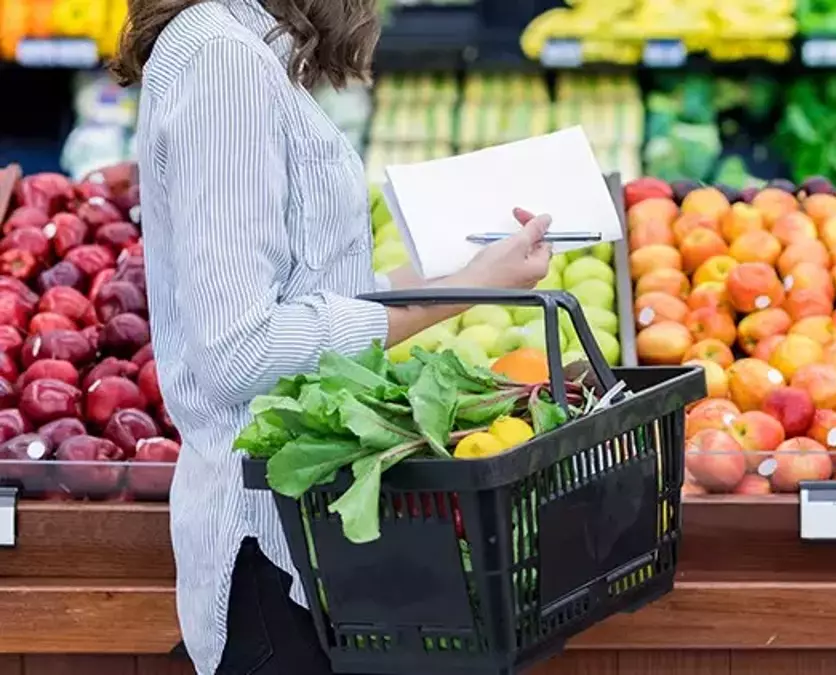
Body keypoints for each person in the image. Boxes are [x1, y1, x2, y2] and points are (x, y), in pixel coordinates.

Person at [111, 1, 552, 673]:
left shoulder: (242, 51)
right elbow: (240, 349)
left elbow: (305, 291)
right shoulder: (220, 61)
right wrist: (457, 294)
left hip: (311, 540)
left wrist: (469, 270)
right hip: (269, 550)